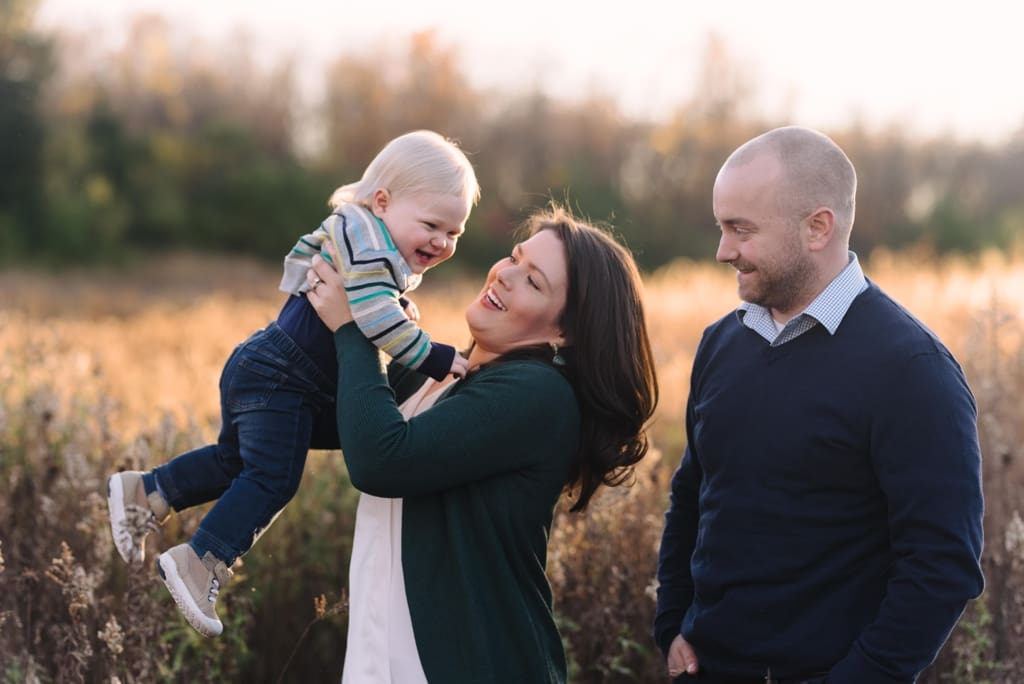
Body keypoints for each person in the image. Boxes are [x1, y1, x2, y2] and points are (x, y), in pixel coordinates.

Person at [106, 130, 480, 637]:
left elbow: (372, 306)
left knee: (237, 463)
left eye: (455, 233)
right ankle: (201, 561)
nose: (442, 242)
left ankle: (148, 491)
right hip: (283, 376)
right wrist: (433, 355)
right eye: (432, 225)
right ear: (383, 202)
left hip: (269, 368)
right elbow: (373, 318)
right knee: (274, 479)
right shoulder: (368, 248)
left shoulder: (362, 237)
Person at [654, 126, 985, 683]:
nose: (722, 251)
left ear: (817, 227)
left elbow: (941, 564)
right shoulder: (722, 342)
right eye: (721, 227)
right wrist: (671, 622)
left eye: (741, 229)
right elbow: (693, 493)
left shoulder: (911, 369)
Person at [304, 205, 659, 683]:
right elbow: (332, 419)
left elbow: (379, 461)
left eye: (534, 282)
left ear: (565, 331)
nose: (506, 276)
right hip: (384, 659)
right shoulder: (447, 374)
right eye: (514, 257)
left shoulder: (538, 395)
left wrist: (357, 325)